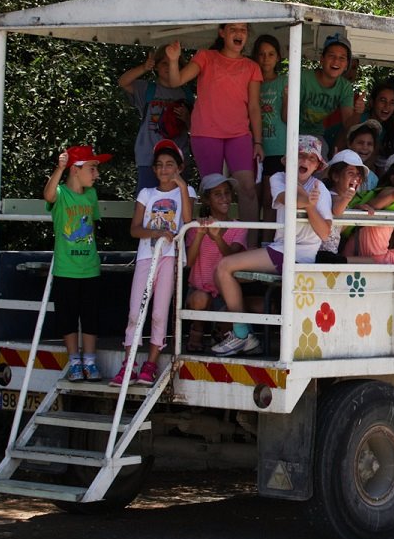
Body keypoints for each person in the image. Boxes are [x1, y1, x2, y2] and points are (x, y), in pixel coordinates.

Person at [211, 135, 334, 355]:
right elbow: (287, 199)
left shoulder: (320, 188)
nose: (304, 161)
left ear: (316, 166)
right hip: (281, 250)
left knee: (224, 268)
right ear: (288, 161)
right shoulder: (279, 177)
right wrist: (308, 202)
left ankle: (241, 334)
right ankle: (242, 333)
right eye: (300, 155)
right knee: (225, 271)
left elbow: (324, 232)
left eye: (311, 158)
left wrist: (310, 208)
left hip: (299, 255)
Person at [114, 139, 195, 386]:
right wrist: (158, 233)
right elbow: (135, 229)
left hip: (170, 257)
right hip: (146, 256)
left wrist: (181, 187)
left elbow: (189, 222)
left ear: (179, 168)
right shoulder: (146, 194)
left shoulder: (187, 192)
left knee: (160, 312)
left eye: (170, 164)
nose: (164, 169)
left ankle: (150, 363)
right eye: (159, 164)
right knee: (135, 310)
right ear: (153, 169)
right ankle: (129, 363)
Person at [164, 23, 262, 223]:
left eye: (243, 30)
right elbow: (176, 81)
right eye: (233, 29)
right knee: (213, 191)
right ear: (222, 33)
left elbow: (254, 107)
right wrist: (174, 61)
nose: (239, 33)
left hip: (239, 134)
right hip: (206, 133)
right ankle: (212, 244)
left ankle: (249, 245)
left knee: (248, 189)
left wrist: (258, 142)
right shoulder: (206, 56)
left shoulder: (251, 66)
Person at [43, 145, 111, 382]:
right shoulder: (61, 193)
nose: (96, 174)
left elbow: (91, 227)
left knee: (90, 315)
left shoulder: (91, 195)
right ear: (76, 170)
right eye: (92, 168)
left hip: (90, 268)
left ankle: (90, 361)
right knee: (68, 316)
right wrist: (59, 168)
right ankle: (74, 362)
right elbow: (49, 196)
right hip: (66, 269)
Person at [184, 174, 247, 352]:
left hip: (224, 294)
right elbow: (189, 261)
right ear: (207, 200)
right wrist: (201, 234)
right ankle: (196, 331)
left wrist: (217, 237)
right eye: (217, 194)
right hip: (199, 290)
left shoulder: (239, 226)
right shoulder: (195, 227)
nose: (224, 198)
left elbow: (231, 258)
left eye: (227, 193)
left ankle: (220, 334)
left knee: (232, 310)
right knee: (200, 298)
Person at [117, 45, 193, 192]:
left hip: (178, 161)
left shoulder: (186, 94)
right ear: (156, 66)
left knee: (177, 206)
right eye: (164, 62)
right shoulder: (147, 89)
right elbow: (123, 82)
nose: (169, 66)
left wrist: (187, 118)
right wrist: (144, 67)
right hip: (148, 159)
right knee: (146, 204)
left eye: (174, 62)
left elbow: (195, 129)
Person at [295, 32, 358, 151]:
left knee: (322, 156)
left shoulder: (345, 88)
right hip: (291, 132)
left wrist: (358, 112)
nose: (336, 61)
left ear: (346, 65)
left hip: (315, 136)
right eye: (331, 56)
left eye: (342, 58)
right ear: (322, 60)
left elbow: (348, 125)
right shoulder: (303, 78)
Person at [254, 33, 288, 225]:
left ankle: (266, 243)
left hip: (277, 148)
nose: (266, 59)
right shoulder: (250, 81)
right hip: (253, 146)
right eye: (261, 54)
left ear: (278, 57)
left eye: (271, 54)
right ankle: (252, 242)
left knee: (270, 200)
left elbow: (286, 117)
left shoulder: (283, 81)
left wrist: (287, 98)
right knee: (253, 198)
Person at [344, 120, 382, 192]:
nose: (365, 147)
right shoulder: (339, 169)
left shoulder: (373, 179)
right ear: (349, 144)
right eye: (360, 143)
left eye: (369, 144)